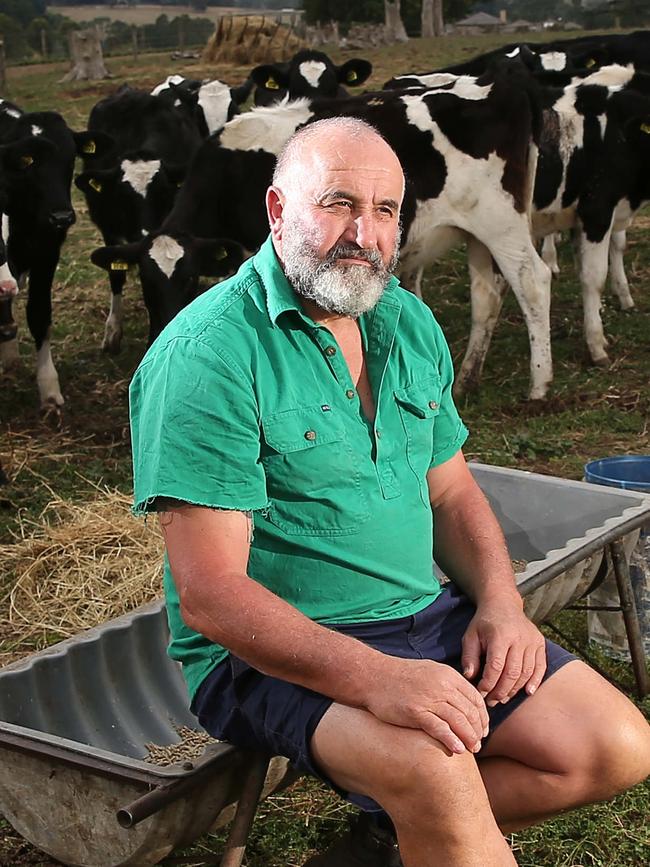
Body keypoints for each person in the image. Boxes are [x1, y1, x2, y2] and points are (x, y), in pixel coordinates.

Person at [129, 118, 650, 867]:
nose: (363, 234)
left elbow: (450, 494)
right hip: (266, 657)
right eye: (338, 203)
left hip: (422, 616)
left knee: (616, 748)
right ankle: (432, 815)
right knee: (435, 773)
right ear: (277, 211)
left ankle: (389, 839)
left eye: (384, 211)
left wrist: (502, 604)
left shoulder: (402, 319)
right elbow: (212, 597)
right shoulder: (205, 357)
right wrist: (381, 679)